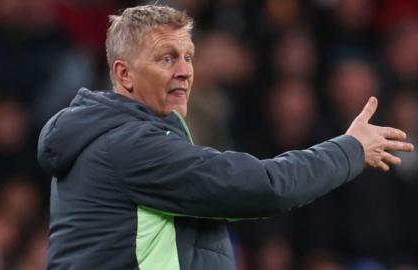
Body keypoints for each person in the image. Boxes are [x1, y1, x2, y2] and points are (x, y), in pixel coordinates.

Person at [37, 5, 414, 270]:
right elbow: (265, 186)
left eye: (189, 56)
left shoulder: (111, 138)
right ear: (124, 74)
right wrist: (350, 149)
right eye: (167, 58)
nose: (185, 71)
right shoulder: (128, 147)